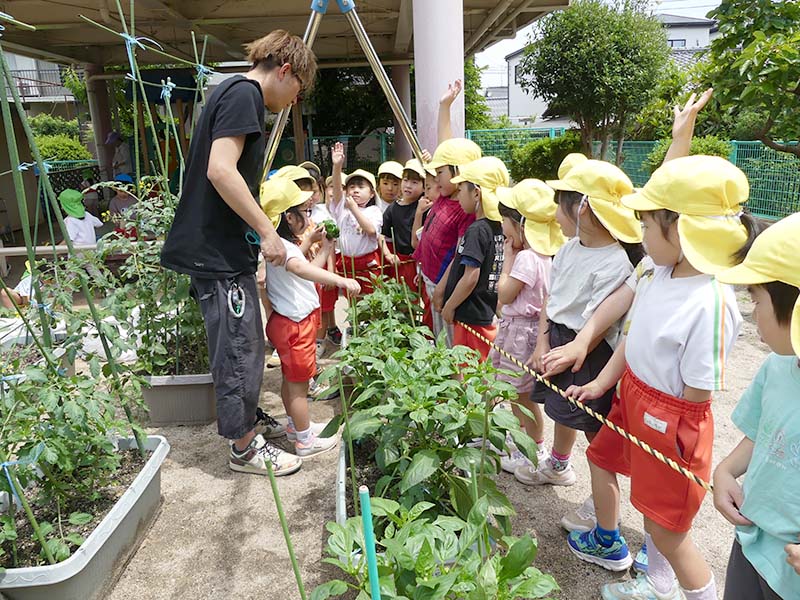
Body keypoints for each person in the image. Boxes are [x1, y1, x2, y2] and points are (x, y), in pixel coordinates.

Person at [565, 155, 759, 600]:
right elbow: (634, 340)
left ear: (684, 229)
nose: (641, 235)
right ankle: (651, 575)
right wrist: (602, 384)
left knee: (666, 526)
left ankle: (687, 591)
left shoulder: (711, 301)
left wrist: (677, 438)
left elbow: (696, 394)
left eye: (649, 226)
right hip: (633, 393)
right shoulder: (656, 269)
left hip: (672, 417)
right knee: (601, 458)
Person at [160, 29, 317, 476]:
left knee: (245, 342)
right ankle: (245, 448)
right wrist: (268, 232)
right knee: (238, 348)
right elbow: (220, 170)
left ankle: (246, 426)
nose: (292, 100)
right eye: (297, 90)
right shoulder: (245, 95)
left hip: (222, 251)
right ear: (285, 70)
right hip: (217, 254)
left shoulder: (230, 93)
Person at [516, 159, 645, 488]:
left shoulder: (615, 260)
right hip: (561, 339)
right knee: (563, 410)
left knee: (591, 425)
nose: (555, 213)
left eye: (559, 204)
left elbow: (602, 320)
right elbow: (552, 297)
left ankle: (602, 497)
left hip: (588, 350)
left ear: (583, 207)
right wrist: (543, 342)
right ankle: (559, 466)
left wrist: (577, 347)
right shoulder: (569, 248)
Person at [713, 212, 800, 600]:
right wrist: (727, 470)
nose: (754, 315)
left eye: (757, 300)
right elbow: (764, 430)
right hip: (753, 539)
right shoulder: (779, 364)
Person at [260, 177, 359, 458]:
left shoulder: (279, 246)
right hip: (295, 326)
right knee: (299, 387)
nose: (309, 215)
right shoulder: (285, 250)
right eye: (304, 211)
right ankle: (304, 440)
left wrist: (325, 248)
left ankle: (295, 427)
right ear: (289, 218)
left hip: (286, 323)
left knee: (290, 382)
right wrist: (341, 279)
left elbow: (303, 267)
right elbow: (304, 271)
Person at [491, 179, 566, 473]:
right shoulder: (547, 256)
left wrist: (507, 259)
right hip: (531, 330)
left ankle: (530, 449)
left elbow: (504, 293)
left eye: (505, 222)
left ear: (520, 225)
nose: (502, 229)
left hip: (520, 333)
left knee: (519, 395)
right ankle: (528, 442)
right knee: (522, 393)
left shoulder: (524, 258)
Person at [438, 156, 508, 360]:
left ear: (476, 193)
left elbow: (471, 277)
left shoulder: (477, 230)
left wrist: (449, 306)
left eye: (460, 190)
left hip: (471, 317)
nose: (458, 196)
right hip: (485, 312)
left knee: (469, 375)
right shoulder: (497, 227)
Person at [418, 138, 481, 344]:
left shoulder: (465, 210)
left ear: (458, 171)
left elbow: (458, 254)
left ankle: (451, 376)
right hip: (429, 277)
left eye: (440, 173)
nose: (436, 180)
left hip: (443, 284)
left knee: (448, 341)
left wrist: (441, 289)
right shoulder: (444, 195)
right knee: (438, 334)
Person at [329, 142, 383, 296]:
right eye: (351, 187)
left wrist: (354, 208)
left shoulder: (373, 211)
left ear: (372, 193)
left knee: (371, 303)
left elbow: (371, 230)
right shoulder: (342, 210)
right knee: (352, 303)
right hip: (347, 263)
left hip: (367, 263)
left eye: (361, 187)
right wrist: (337, 166)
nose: (355, 190)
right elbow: (337, 188)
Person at [381, 159, 427, 293]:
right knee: (406, 303)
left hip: (423, 260)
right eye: (406, 180)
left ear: (424, 187)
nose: (408, 185)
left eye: (414, 182)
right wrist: (388, 254)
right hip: (403, 262)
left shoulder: (425, 206)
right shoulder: (392, 209)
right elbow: (383, 235)